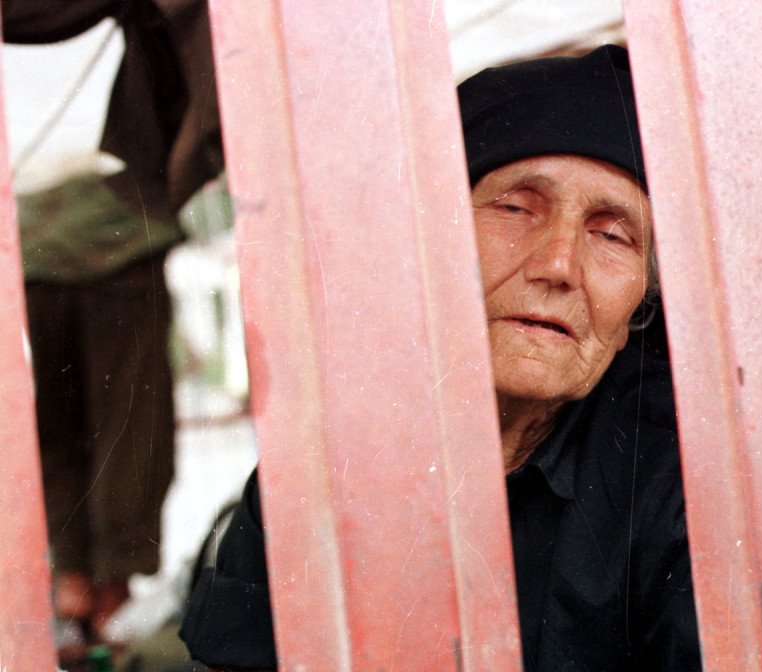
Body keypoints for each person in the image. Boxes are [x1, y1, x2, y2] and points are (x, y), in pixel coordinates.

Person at [180, 44, 700, 671]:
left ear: (632, 315)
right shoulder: (331, 462)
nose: (559, 264)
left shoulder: (692, 485)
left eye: (613, 234)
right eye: (515, 207)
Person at [2, 0, 222, 641]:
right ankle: (104, 588)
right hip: (96, 231)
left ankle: (83, 585)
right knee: (126, 419)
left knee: (69, 424)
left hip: (54, 235)